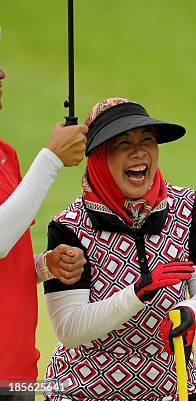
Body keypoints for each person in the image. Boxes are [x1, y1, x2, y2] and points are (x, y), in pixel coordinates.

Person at [42, 98, 196, 401]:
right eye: (122, 143)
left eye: (146, 140)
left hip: (173, 388)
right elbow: (70, 329)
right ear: (100, 155)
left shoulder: (186, 205)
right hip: (83, 391)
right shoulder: (69, 226)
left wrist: (190, 310)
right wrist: (137, 293)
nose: (138, 151)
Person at [0, 66, 88, 400]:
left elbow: (9, 254)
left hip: (19, 371)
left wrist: (45, 265)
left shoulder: (6, 155)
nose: (2, 73)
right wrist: (50, 159)